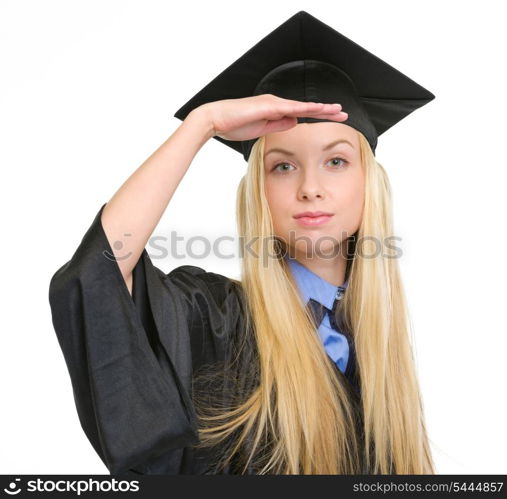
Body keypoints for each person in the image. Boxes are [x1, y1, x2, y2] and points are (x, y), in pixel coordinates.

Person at [48, 11, 436, 475]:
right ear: (259, 192)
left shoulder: (377, 337)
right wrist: (201, 126)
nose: (310, 187)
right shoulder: (215, 320)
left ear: (369, 183)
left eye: (335, 161)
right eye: (283, 166)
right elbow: (99, 276)